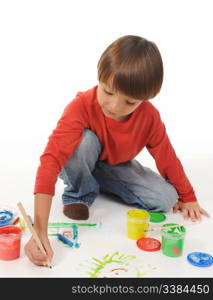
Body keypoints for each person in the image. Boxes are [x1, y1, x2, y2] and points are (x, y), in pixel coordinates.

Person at [25, 35, 209, 266]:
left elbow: (166, 156)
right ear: (99, 79)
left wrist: (188, 197)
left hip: (114, 165)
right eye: (108, 92)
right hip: (80, 157)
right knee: (84, 142)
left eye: (129, 102)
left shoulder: (149, 117)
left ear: (146, 98)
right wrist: (39, 229)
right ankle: (79, 193)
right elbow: (51, 159)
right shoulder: (81, 106)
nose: (114, 106)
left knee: (166, 199)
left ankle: (97, 179)